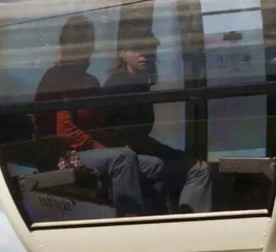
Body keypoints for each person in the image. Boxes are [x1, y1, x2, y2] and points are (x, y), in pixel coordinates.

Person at [34, 16, 167, 218]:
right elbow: (65, 131)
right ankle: (130, 221)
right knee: (123, 159)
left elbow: (99, 125)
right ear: (67, 45)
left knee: (153, 164)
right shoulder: (57, 78)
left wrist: (115, 145)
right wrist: (103, 149)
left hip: (90, 152)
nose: (86, 49)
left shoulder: (90, 81)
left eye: (88, 43)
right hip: (64, 155)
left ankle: (157, 220)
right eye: (79, 42)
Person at [104, 34, 214, 214]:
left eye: (149, 51)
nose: (144, 56)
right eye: (138, 51)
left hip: (137, 149)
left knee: (190, 165)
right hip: (126, 156)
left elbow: (140, 137)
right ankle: (191, 226)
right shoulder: (120, 85)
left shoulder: (139, 85)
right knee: (196, 171)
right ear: (123, 54)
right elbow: (122, 135)